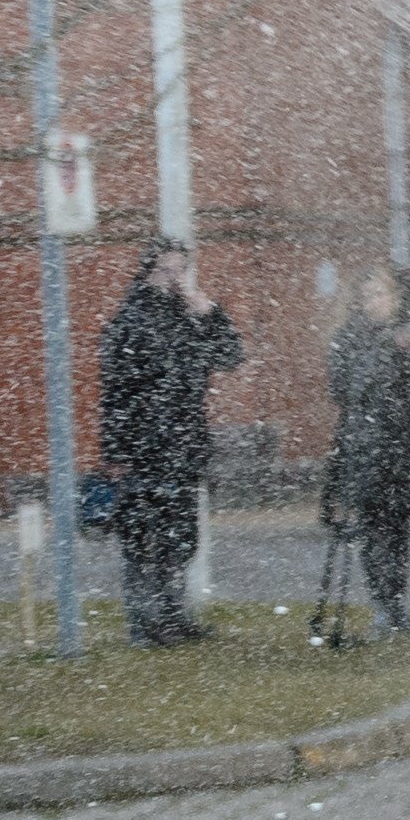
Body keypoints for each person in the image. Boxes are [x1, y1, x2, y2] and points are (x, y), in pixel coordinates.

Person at [98, 243, 242, 646]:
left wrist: (212, 314)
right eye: (166, 271)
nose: (175, 279)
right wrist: (117, 453)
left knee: (179, 537)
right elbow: (115, 393)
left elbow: (231, 355)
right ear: (148, 273)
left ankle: (173, 615)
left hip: (183, 444)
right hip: (144, 448)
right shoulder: (129, 322)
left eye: (181, 270)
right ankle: (146, 623)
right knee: (145, 538)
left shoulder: (188, 317)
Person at [325, 265, 410, 635]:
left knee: (397, 526)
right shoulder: (347, 338)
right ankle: (383, 606)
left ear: (396, 298)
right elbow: (342, 389)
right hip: (365, 445)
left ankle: (397, 605)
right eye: (367, 296)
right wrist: (385, 351)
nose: (374, 303)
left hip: (406, 444)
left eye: (380, 294)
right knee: (372, 526)